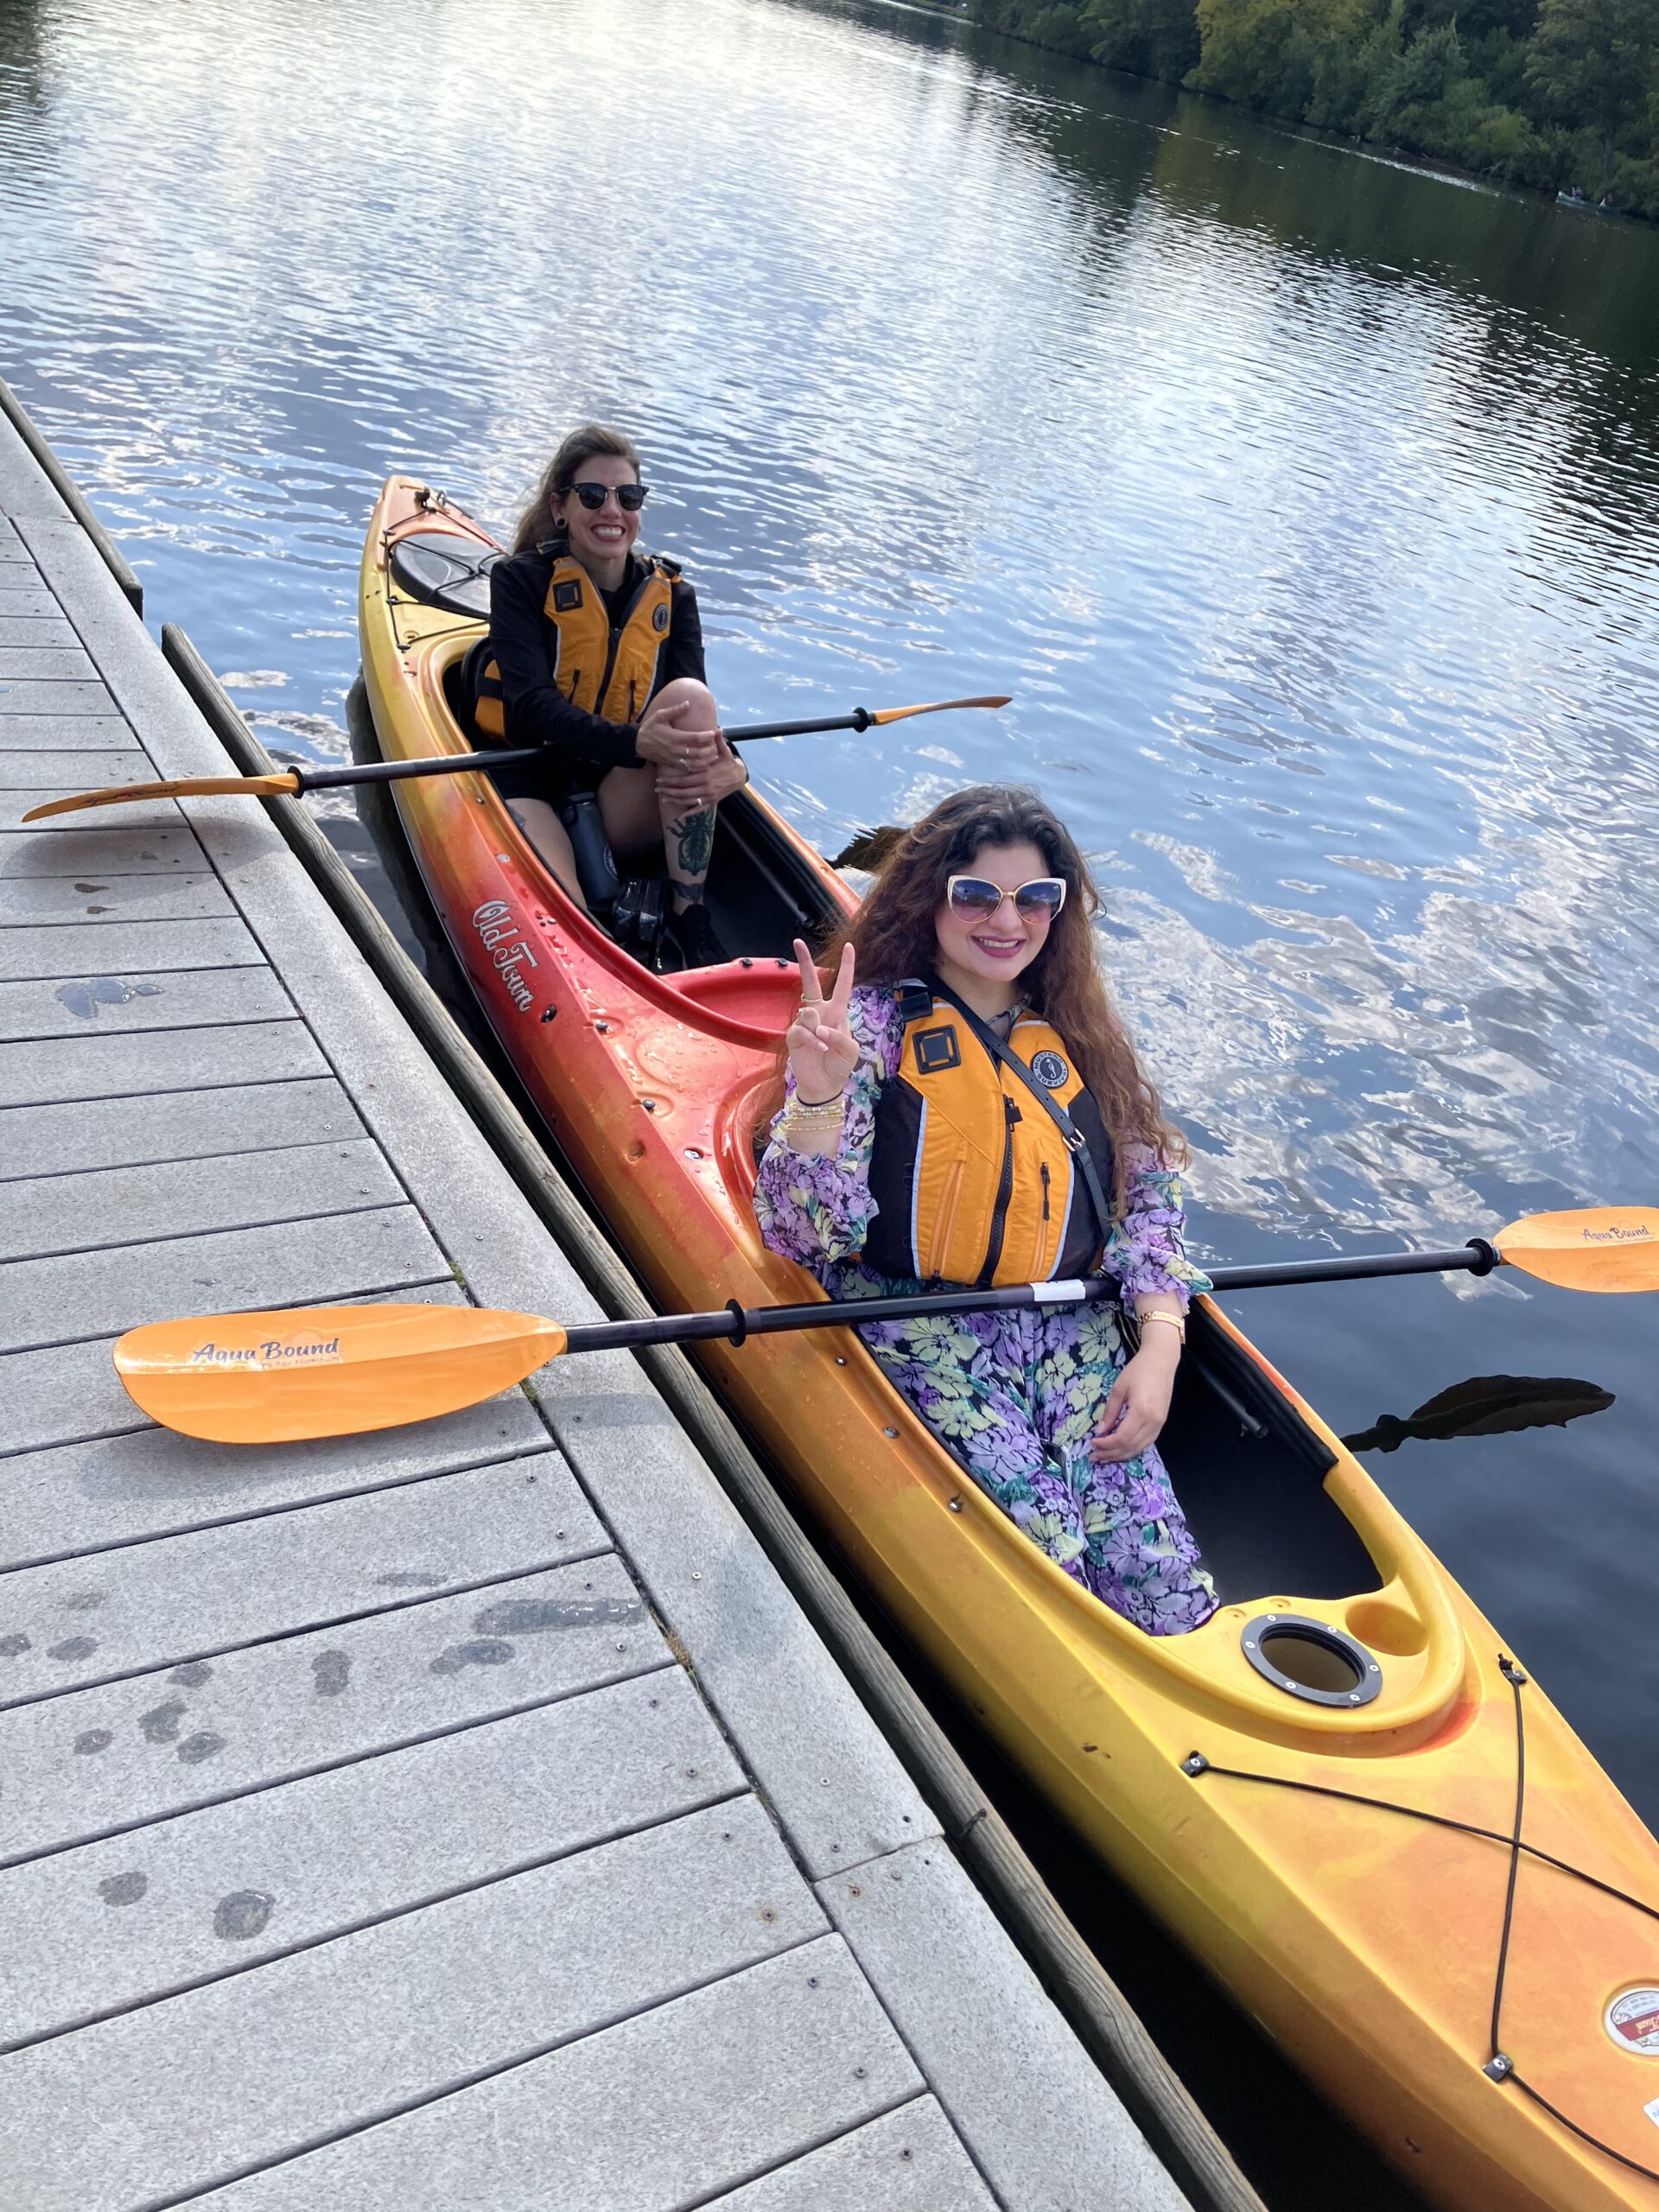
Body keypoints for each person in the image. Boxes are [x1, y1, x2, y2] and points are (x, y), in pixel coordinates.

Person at [753, 785, 1217, 1636]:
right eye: (976, 895)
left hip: (1068, 1326)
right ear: (931, 894)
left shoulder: (1079, 1032)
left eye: (1036, 898)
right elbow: (801, 1235)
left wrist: (1158, 1345)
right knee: (1050, 1559)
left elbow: (1151, 1202)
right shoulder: (866, 1028)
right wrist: (817, 1100)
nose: (1007, 921)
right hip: (920, 1322)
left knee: (1159, 1577)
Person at [465, 423, 747, 966]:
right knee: (568, 917)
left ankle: (691, 914)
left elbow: (697, 715)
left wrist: (734, 769)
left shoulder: (675, 596)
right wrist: (638, 745)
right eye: (592, 495)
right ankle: (598, 948)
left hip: (617, 795)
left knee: (689, 696)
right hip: (530, 778)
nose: (611, 510)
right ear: (560, 507)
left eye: (628, 496)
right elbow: (530, 708)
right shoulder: (520, 582)